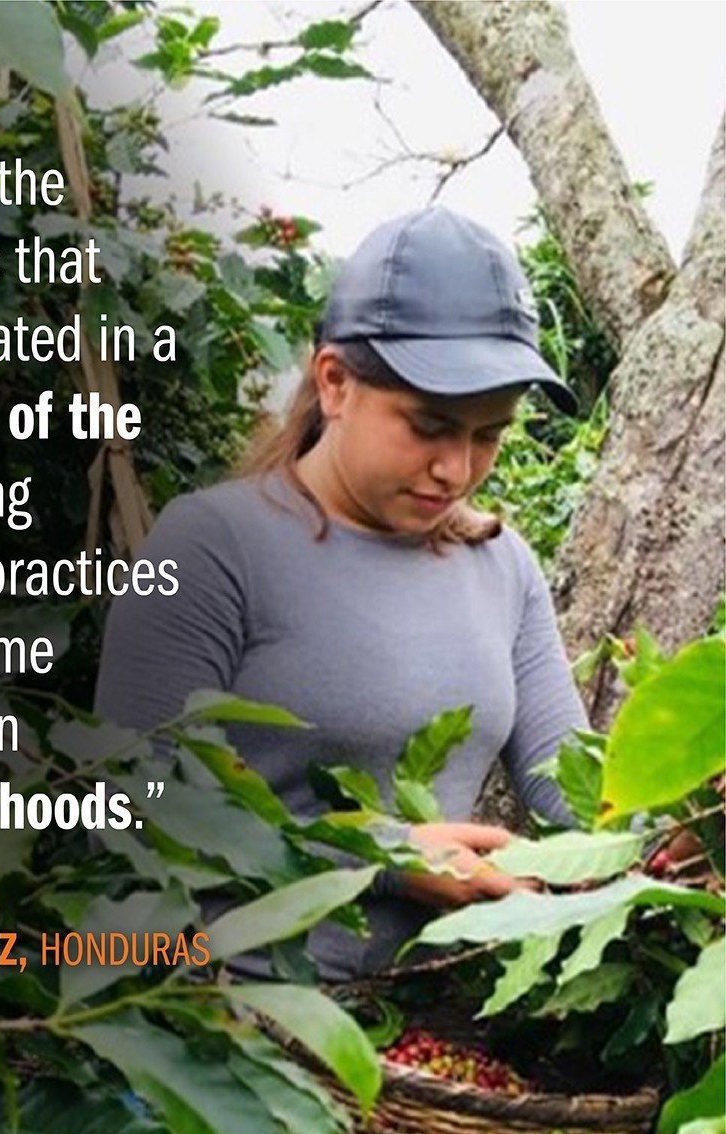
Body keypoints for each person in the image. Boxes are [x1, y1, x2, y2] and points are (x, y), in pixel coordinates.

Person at [93, 207, 589, 980]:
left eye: (489, 434)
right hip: (222, 1034)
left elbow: (573, 786)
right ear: (334, 383)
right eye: (429, 426)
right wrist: (379, 857)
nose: (456, 469)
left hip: (420, 1052)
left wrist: (679, 819)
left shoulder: (503, 565)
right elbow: (128, 812)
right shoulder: (215, 548)